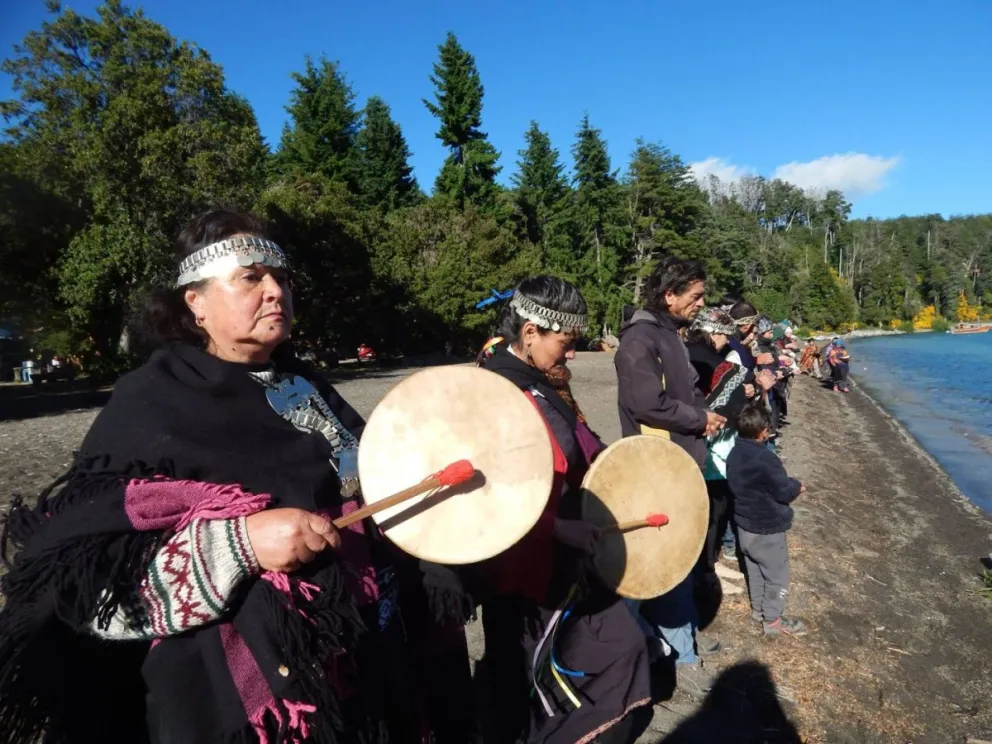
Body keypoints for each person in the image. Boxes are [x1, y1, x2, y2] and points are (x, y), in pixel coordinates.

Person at [0, 209, 475, 744]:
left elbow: (377, 479)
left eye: (282, 279)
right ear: (195, 302)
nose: (276, 292)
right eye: (251, 278)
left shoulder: (306, 385)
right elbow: (89, 585)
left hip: (366, 673)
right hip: (251, 711)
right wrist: (238, 544)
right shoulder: (152, 402)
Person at [475, 276, 652, 744]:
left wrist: (630, 471)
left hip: (567, 553)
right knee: (517, 675)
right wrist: (555, 528)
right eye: (566, 342)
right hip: (519, 562)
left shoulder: (543, 382)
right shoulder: (488, 391)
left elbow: (583, 443)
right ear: (530, 332)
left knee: (619, 646)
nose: (572, 354)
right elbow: (479, 495)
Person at [614, 256, 725, 698]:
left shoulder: (668, 334)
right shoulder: (640, 339)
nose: (702, 303)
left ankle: (681, 646)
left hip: (678, 462)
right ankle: (621, 649)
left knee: (676, 558)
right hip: (657, 468)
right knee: (649, 563)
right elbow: (645, 403)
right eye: (696, 296)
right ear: (670, 295)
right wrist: (698, 419)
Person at [686, 308, 773, 590]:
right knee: (712, 505)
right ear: (713, 333)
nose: (727, 344)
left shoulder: (694, 353)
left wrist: (746, 390)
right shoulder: (703, 357)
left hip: (708, 437)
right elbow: (712, 399)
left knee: (715, 504)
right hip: (711, 440)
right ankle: (705, 568)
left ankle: (710, 560)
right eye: (725, 337)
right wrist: (745, 390)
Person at [726, 402, 807, 638]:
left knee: (755, 570)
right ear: (763, 432)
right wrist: (797, 486)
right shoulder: (766, 458)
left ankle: (759, 610)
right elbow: (783, 490)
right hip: (767, 528)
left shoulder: (734, 453)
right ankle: (772, 620)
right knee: (776, 575)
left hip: (744, 525)